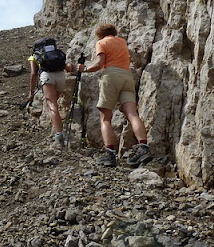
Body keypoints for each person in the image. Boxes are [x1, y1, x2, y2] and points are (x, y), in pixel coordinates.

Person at [79, 23, 151, 167]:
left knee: (105, 117)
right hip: (126, 76)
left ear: (100, 34)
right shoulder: (122, 41)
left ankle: (109, 154)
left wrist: (84, 69)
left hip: (111, 76)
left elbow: (99, 64)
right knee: (132, 114)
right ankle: (143, 147)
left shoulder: (101, 43)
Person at [27, 40, 80, 147]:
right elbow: (67, 67)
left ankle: (59, 134)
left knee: (52, 106)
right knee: (53, 103)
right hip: (61, 76)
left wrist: (31, 92)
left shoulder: (34, 56)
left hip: (47, 76)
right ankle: (56, 128)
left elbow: (33, 74)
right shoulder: (55, 54)